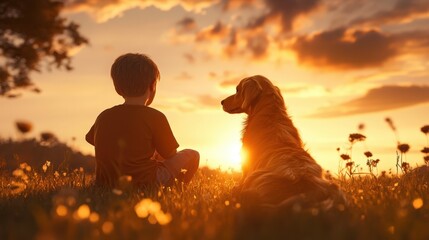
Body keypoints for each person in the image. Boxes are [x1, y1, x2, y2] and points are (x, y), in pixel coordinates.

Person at [86, 53, 199, 188]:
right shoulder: (156, 117)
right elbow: (170, 154)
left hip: (106, 183)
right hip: (146, 182)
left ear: (117, 88)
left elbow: (93, 140)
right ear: (152, 86)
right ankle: (175, 189)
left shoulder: (103, 116)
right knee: (192, 155)